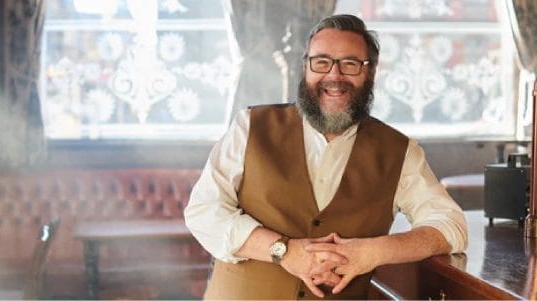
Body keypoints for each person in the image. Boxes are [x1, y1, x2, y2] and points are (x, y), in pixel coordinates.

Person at [184, 14, 467, 300]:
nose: (334, 75)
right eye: (322, 62)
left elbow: (451, 225)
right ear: (306, 66)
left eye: (350, 64)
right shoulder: (249, 126)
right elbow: (204, 212)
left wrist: (372, 252)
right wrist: (282, 250)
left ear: (370, 72)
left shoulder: (400, 151)